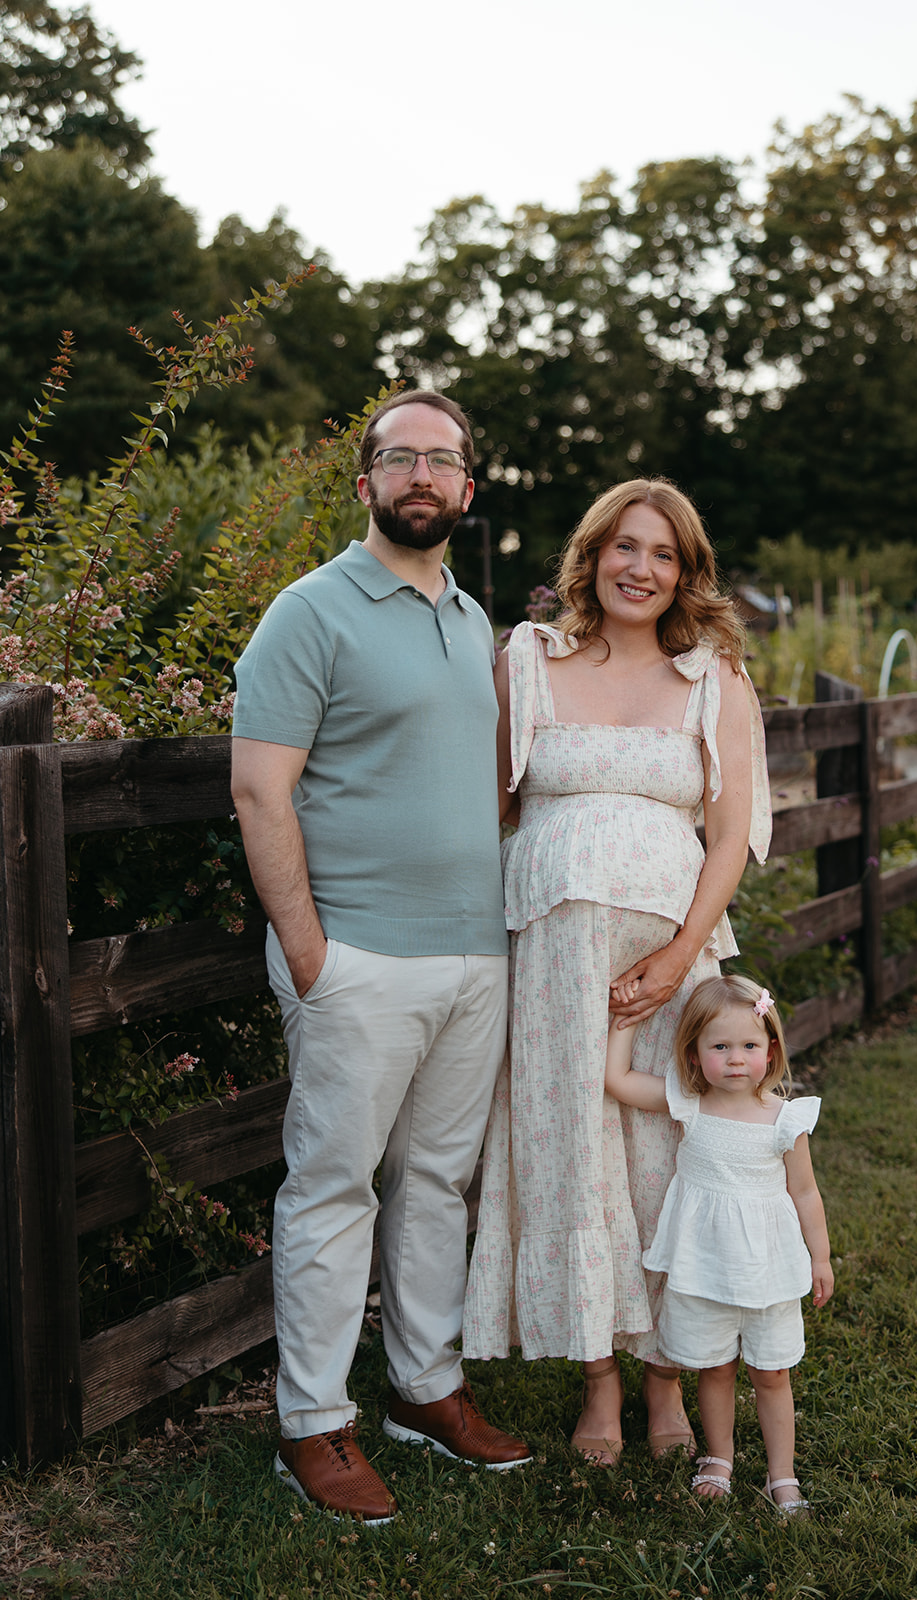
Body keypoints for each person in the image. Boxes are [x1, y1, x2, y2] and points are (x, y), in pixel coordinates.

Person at [231, 390, 530, 1526]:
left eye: (441, 460)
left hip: (472, 957)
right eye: (397, 457)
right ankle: (311, 1423)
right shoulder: (308, 612)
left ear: (466, 490)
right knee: (331, 1185)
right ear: (363, 483)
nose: (420, 475)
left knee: (436, 1185)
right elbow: (260, 788)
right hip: (354, 956)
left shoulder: (468, 618)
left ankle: (424, 1388)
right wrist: (311, 953)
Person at [463, 478, 772, 1466]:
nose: (641, 568)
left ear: (685, 573)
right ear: (591, 555)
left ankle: (665, 1376)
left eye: (664, 553)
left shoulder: (711, 676)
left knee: (668, 1151)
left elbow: (728, 834)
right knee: (567, 1151)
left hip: (670, 958)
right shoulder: (531, 659)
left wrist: (679, 951)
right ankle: (597, 1377)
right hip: (552, 959)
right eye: (624, 547)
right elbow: (491, 807)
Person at [604, 975, 833, 1513]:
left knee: (772, 1372)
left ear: (771, 1049)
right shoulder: (689, 1103)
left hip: (767, 1269)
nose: (735, 1059)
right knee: (715, 1366)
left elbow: (805, 1192)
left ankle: (782, 1474)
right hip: (704, 1266)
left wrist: (819, 1257)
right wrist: (625, 1022)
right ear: (694, 1053)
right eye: (720, 1047)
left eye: (750, 1046)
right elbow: (616, 1080)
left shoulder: (785, 1120)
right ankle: (720, 1457)